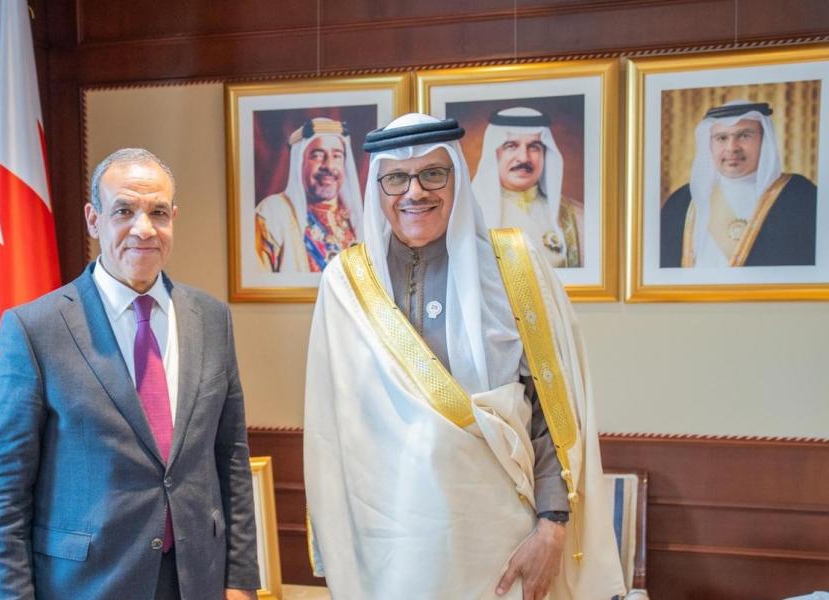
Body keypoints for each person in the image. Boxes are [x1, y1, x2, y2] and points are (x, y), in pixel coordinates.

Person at [304, 114, 624, 599]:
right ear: (377, 189)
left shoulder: (512, 266)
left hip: (503, 546)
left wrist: (552, 526)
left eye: (433, 174)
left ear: (458, 177)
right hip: (389, 551)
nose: (415, 192)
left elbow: (553, 411)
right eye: (396, 178)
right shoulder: (345, 285)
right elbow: (330, 433)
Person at [0, 148, 259, 600]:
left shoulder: (211, 319)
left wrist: (240, 580)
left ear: (173, 219)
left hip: (197, 580)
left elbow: (231, 458)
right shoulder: (35, 330)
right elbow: (4, 498)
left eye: (158, 212)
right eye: (124, 211)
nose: (143, 229)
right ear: (94, 219)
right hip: (87, 585)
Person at [661, 100, 817, 267]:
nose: (732, 148)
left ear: (764, 141)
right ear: (710, 145)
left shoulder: (799, 196)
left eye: (744, 135)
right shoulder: (682, 201)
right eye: (722, 138)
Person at [472, 107, 583, 268]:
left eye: (534, 147)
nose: (524, 158)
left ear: (545, 154)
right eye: (511, 146)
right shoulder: (470, 213)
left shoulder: (575, 216)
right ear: (494, 153)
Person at [255, 117, 363, 272]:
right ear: (299, 162)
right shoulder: (272, 213)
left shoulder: (357, 221)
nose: (329, 166)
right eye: (317, 155)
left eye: (337, 156)